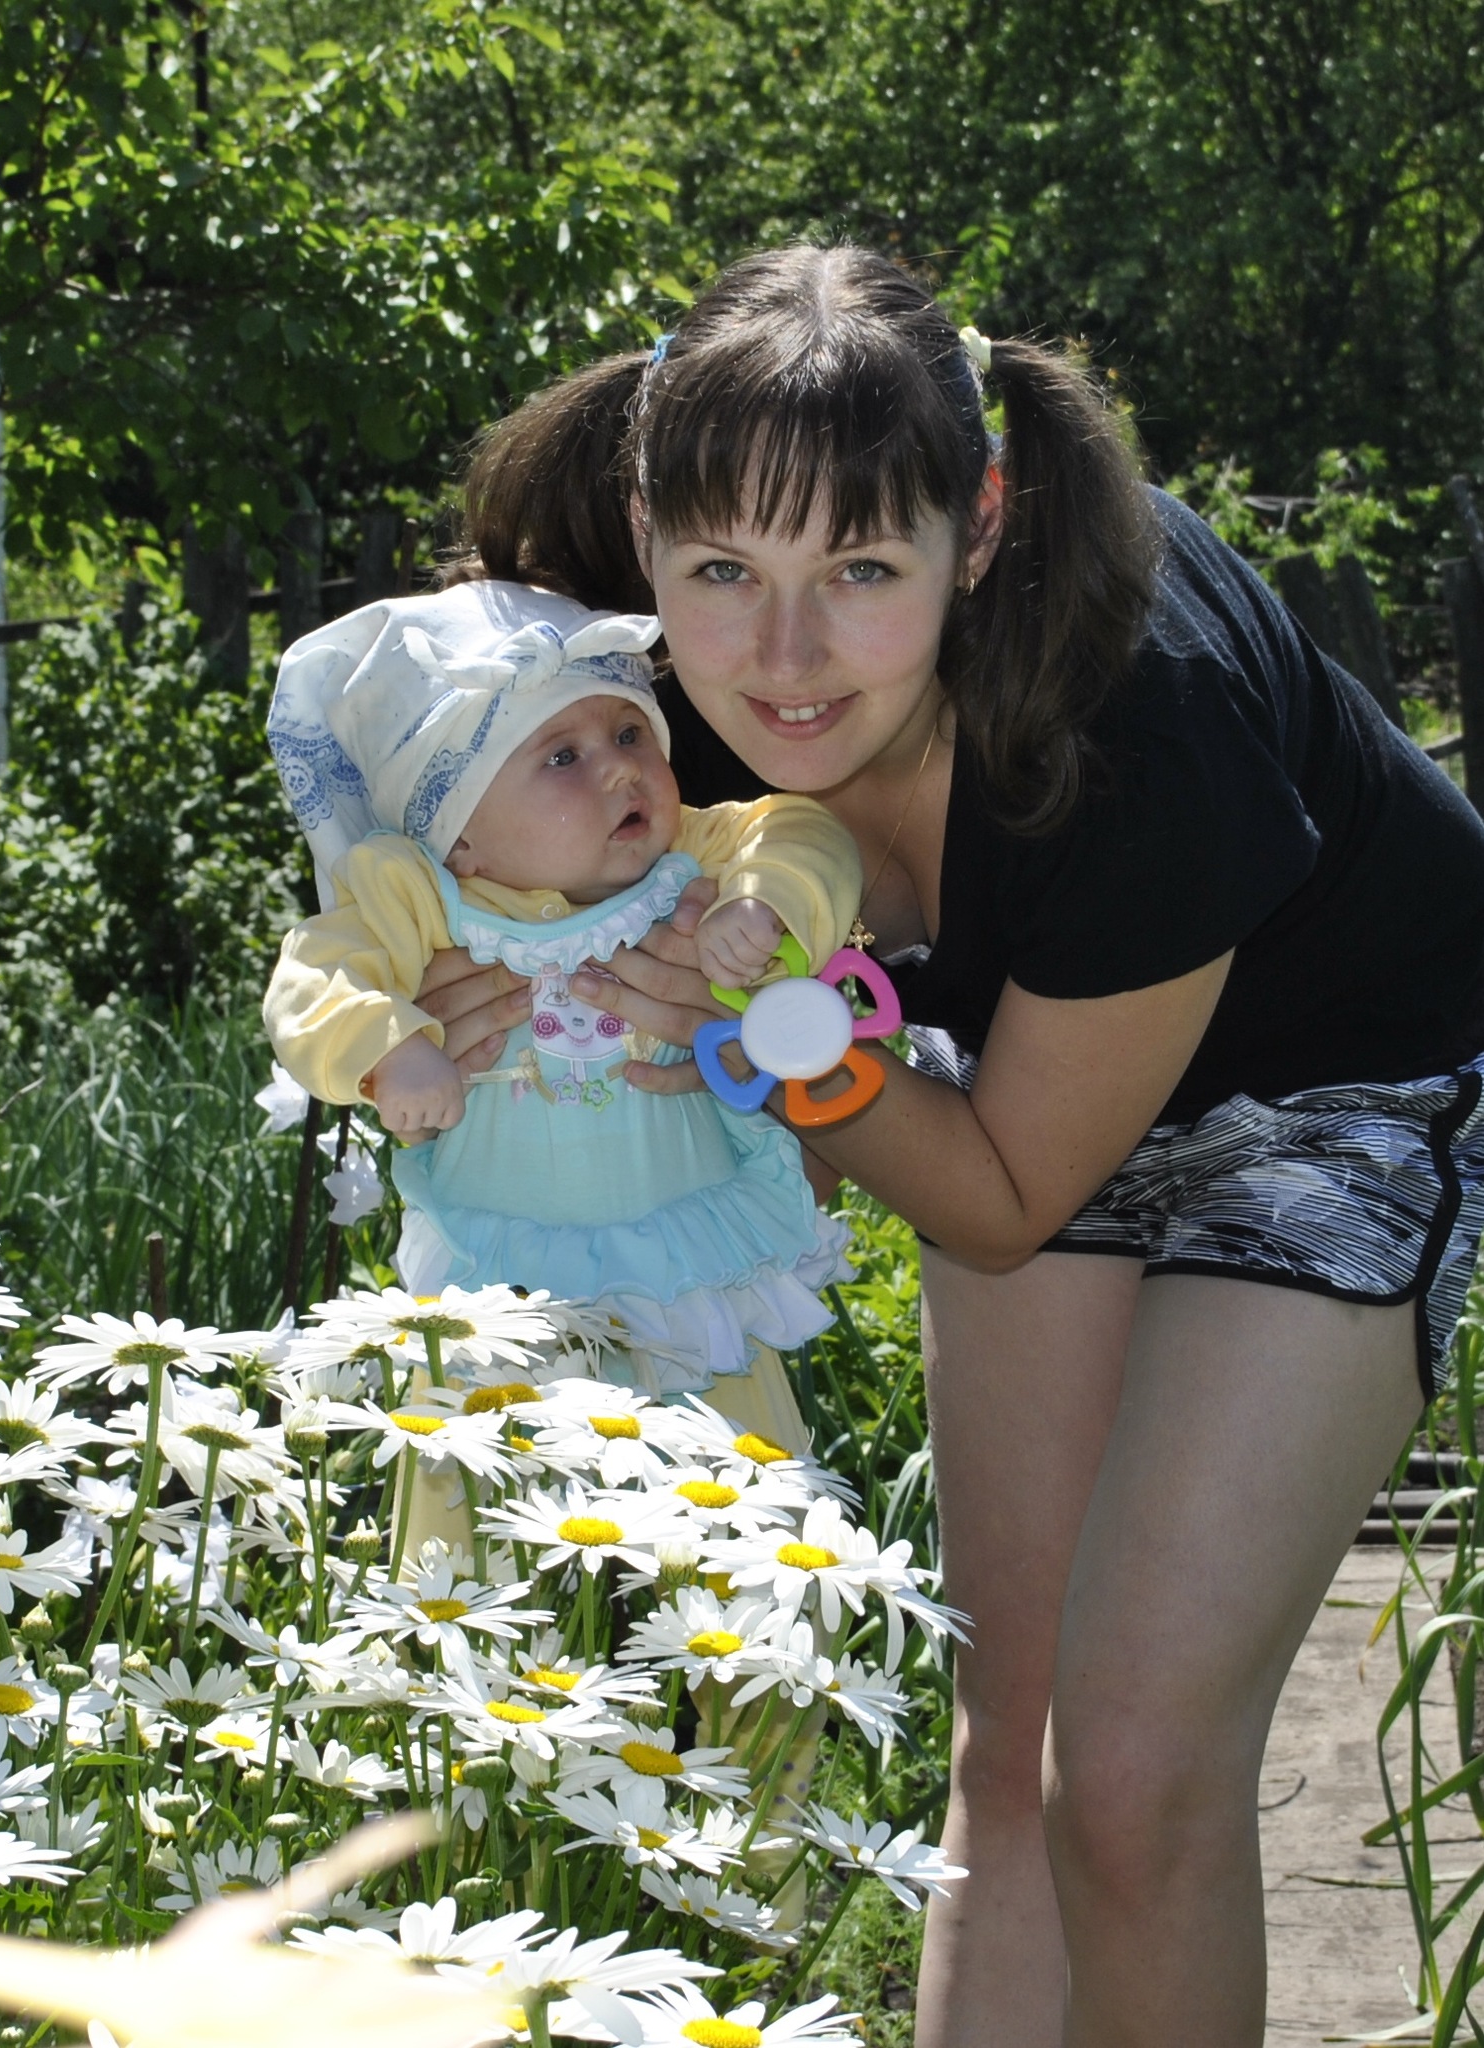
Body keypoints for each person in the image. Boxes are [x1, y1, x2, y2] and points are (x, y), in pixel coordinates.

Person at [407, 242, 1484, 2047]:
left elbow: (995, 1197)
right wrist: (453, 995)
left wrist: (768, 1040)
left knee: (1127, 1770)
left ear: (978, 528)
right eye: (722, 572)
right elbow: (421, 858)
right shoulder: (617, 687)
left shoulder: (1142, 724)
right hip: (991, 1057)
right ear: (645, 535)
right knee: (1010, 1739)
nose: (783, 660)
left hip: (1329, 1086)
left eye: (862, 573)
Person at [263, 580, 860, 1419]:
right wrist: (389, 1047)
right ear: (458, 837)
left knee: (725, 1453)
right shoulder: (420, 897)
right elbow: (313, 974)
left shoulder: (692, 857)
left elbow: (803, 830)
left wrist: (765, 901)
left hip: (685, 1265)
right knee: (496, 1470)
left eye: (629, 733)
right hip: (503, 1283)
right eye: (561, 757)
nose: (618, 766)